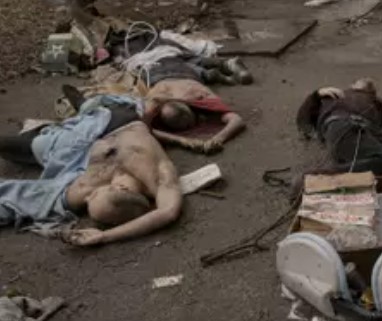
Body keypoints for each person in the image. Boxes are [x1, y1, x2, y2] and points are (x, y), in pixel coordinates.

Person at [0, 96, 182, 246]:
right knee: (90, 109)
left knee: (35, 157)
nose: (87, 199)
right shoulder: (157, 172)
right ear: (121, 188)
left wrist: (103, 236)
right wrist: (107, 237)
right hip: (112, 125)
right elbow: (168, 211)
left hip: (79, 156)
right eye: (93, 196)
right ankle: (81, 104)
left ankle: (32, 139)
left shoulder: (83, 192)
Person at [141, 77, 246, 154]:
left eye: (188, 125)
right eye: (185, 127)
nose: (189, 128)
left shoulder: (199, 96)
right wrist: (183, 141)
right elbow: (145, 129)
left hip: (184, 74)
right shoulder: (152, 107)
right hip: (156, 77)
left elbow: (237, 120)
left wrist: (217, 139)